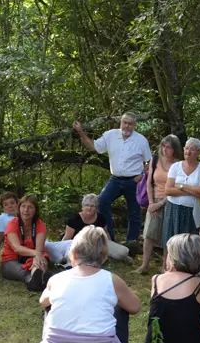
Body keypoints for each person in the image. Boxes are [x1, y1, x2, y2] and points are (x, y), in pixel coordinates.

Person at [33, 226, 141, 343]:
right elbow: (135, 307)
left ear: (73, 254)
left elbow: (43, 301)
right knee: (121, 308)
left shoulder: (57, 279)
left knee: (50, 306)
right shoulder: (112, 280)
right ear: (104, 256)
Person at [73, 113, 152, 242]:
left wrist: (142, 175)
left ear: (134, 125)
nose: (126, 126)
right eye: (124, 123)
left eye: (130, 124)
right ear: (120, 123)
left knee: (134, 213)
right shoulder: (110, 135)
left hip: (133, 181)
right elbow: (94, 146)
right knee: (102, 201)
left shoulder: (141, 140)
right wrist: (81, 132)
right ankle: (109, 238)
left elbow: (150, 162)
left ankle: (131, 243)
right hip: (115, 179)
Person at [137, 134, 183, 275]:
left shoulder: (178, 164)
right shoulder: (154, 160)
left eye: (168, 147)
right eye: (163, 146)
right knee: (149, 233)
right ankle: (144, 265)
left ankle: (165, 266)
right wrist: (152, 203)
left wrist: (161, 204)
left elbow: (178, 187)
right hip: (154, 200)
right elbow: (149, 183)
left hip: (171, 201)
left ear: (175, 149)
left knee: (167, 234)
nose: (164, 149)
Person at [45, 194, 132, 264]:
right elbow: (67, 238)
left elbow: (106, 234)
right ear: (82, 207)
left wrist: (109, 246)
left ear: (96, 208)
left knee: (123, 252)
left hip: (98, 244)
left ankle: (120, 257)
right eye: (87, 205)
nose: (89, 208)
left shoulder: (101, 218)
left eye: (92, 206)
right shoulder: (74, 219)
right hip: (79, 246)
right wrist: (62, 250)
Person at [162, 138, 200, 246]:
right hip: (173, 209)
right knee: (170, 243)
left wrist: (181, 186)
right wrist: (194, 190)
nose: (188, 152)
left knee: (188, 245)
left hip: (193, 212)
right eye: (186, 148)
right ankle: (166, 263)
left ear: (199, 152)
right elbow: (168, 190)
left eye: (192, 149)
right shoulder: (175, 167)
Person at [0, 195, 50, 291]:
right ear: (19, 209)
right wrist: (36, 254)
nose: (26, 210)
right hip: (11, 260)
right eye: (23, 206)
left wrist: (37, 256)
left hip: (32, 258)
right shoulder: (12, 224)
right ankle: (31, 279)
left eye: (30, 207)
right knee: (18, 268)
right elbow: (17, 248)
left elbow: (39, 249)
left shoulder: (40, 224)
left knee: (43, 258)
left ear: (35, 210)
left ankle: (39, 274)